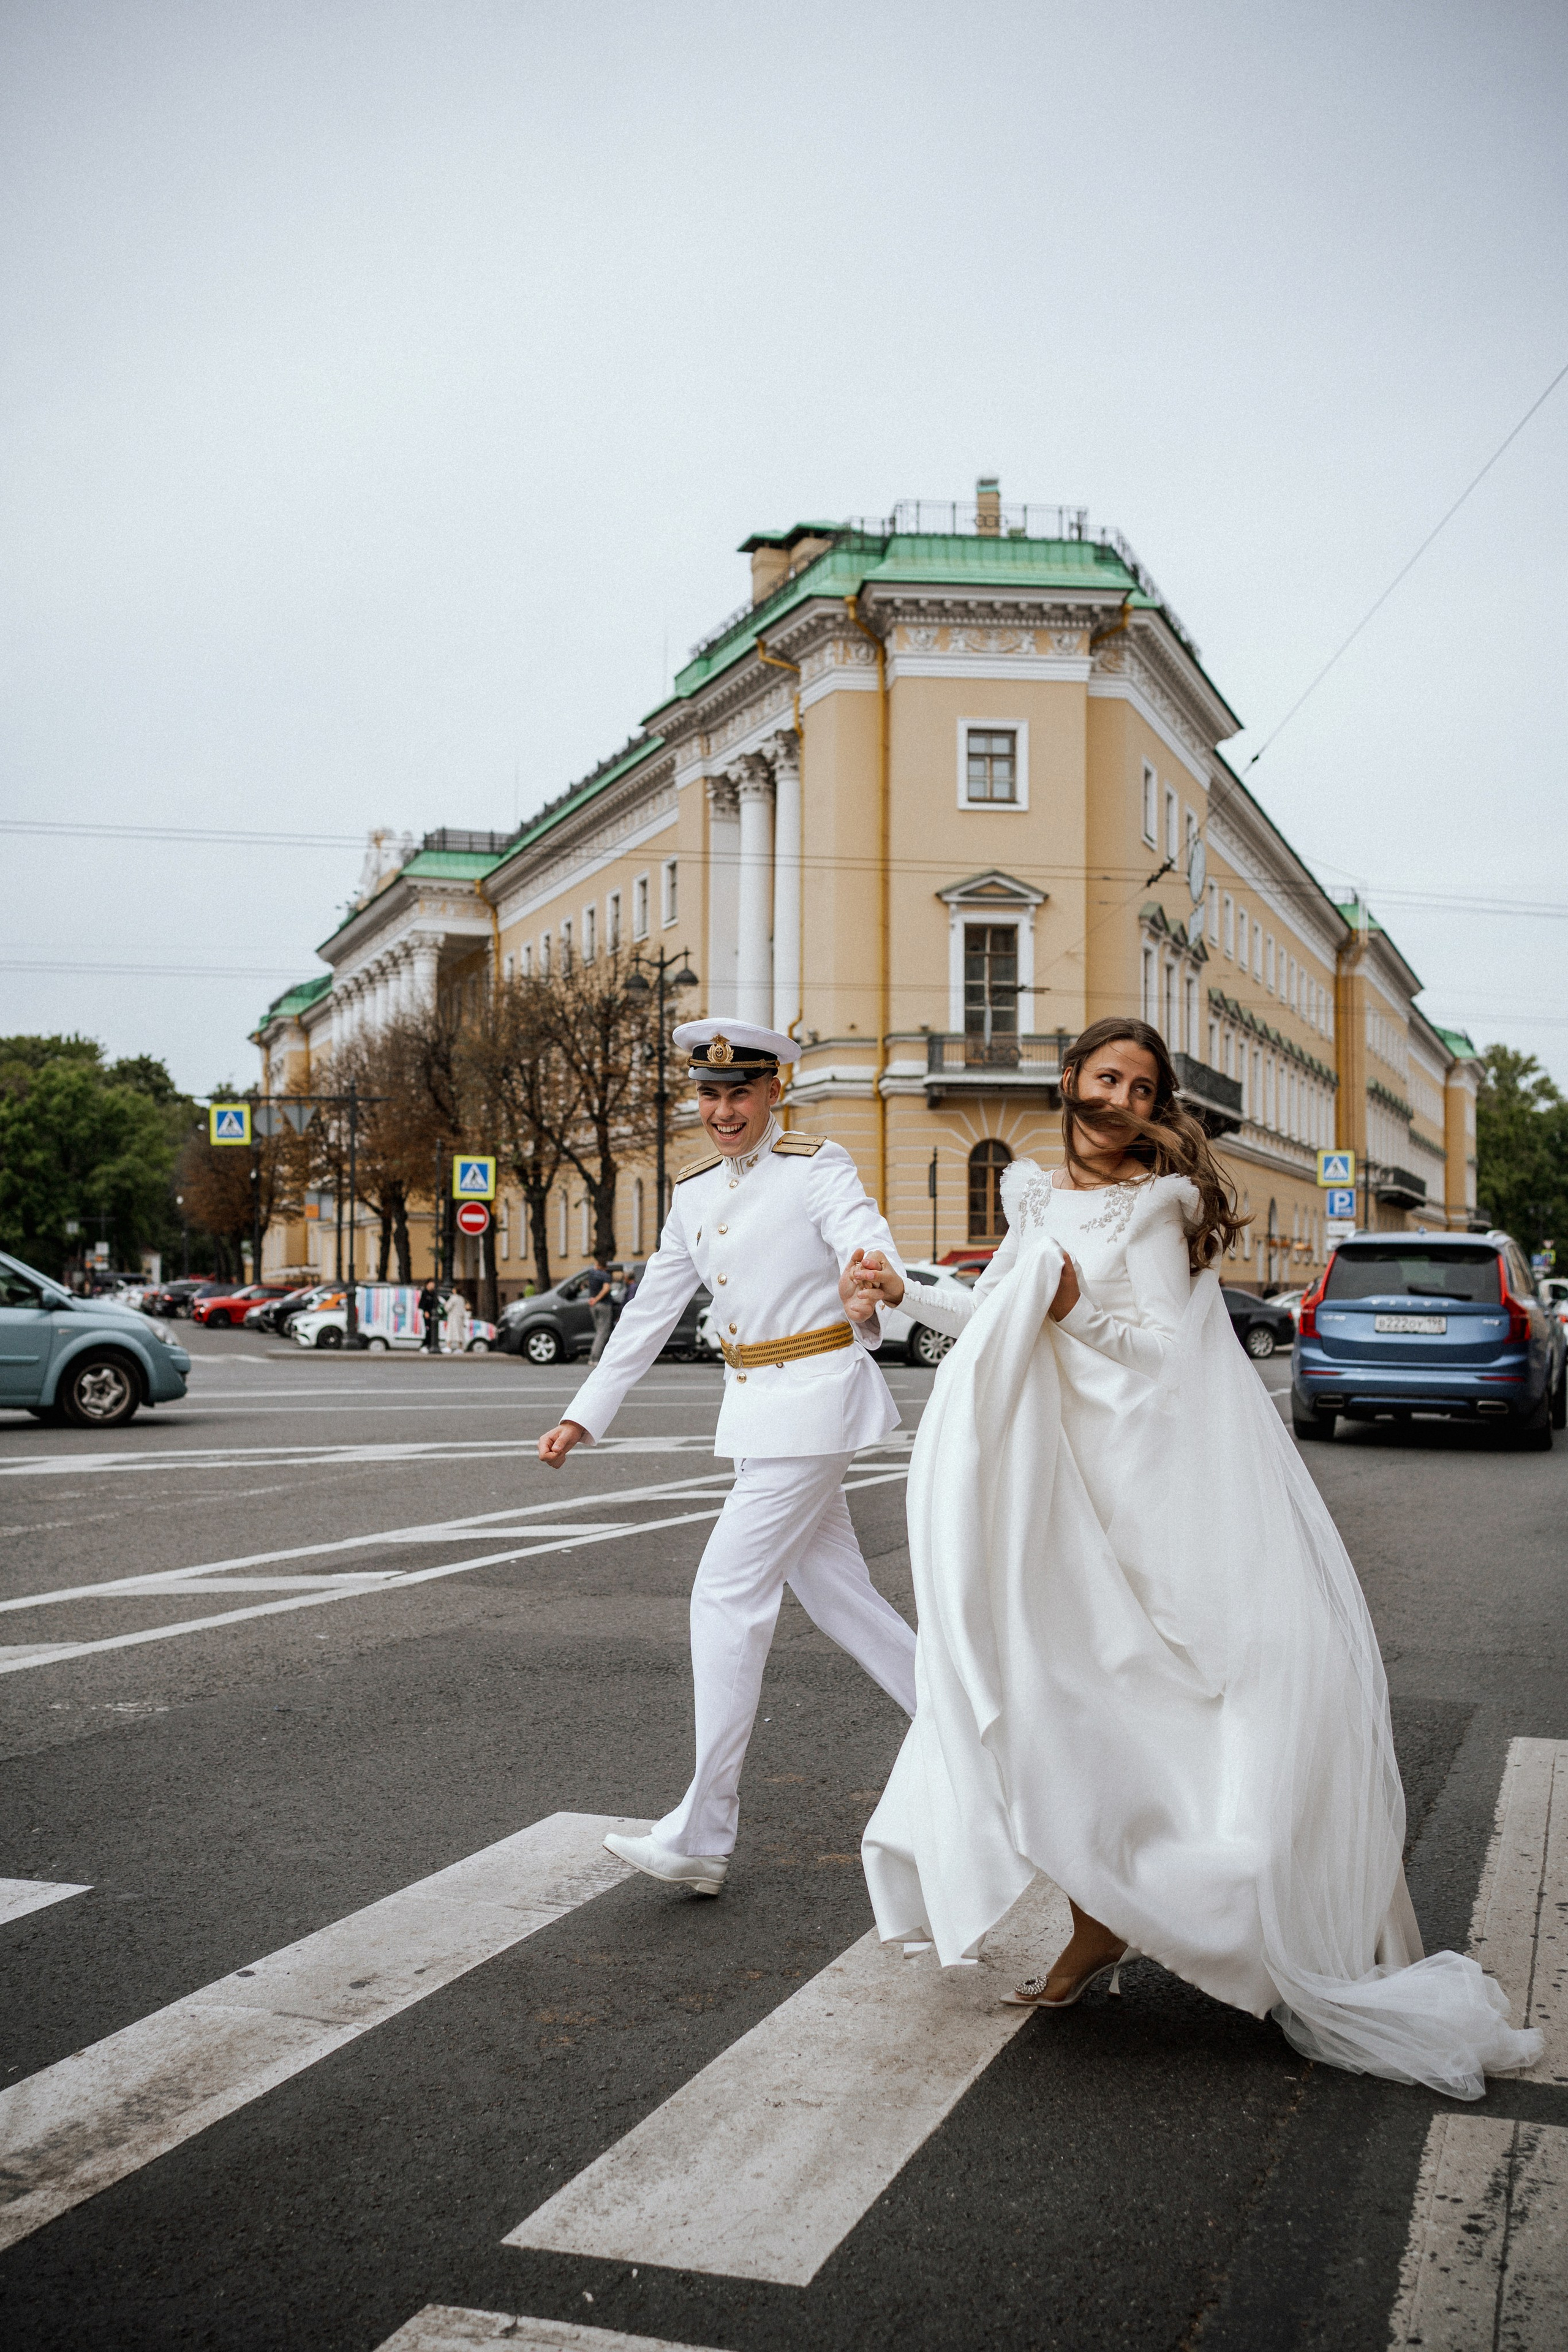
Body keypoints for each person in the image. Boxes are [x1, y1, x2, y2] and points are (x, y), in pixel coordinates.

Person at [851, 1017, 1541, 2100]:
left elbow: (1161, 1350)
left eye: (1141, 1085)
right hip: (1049, 1487)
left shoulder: (1162, 1206)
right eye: (1105, 1074)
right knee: (1063, 1698)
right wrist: (905, 1298)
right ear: (1072, 1077)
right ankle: (1099, 1916)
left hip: (1141, 1481)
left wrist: (1076, 1311)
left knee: (1160, 1697)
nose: (1118, 1096)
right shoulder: (1029, 1194)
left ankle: (1194, 1911)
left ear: (1155, 1106)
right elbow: (997, 1317)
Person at [537, 1018, 918, 1897]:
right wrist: (584, 1415)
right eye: (709, 1094)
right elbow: (648, 1311)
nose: (723, 1110)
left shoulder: (816, 1165)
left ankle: (702, 1834)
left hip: (815, 1399)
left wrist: (874, 1280)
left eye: (740, 1091)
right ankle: (977, 1739)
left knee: (726, 1591)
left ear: (775, 1092)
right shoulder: (696, 1192)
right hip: (761, 1414)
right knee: (840, 1598)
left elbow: (864, 1236)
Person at [586, 1256, 614, 1364]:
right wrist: (597, 1299)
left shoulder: (592, 1274)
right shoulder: (605, 1276)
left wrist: (593, 1300)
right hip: (604, 1305)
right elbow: (606, 1289)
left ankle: (592, 1357)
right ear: (606, 1267)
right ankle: (596, 1358)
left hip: (593, 1306)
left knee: (599, 1332)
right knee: (603, 1333)